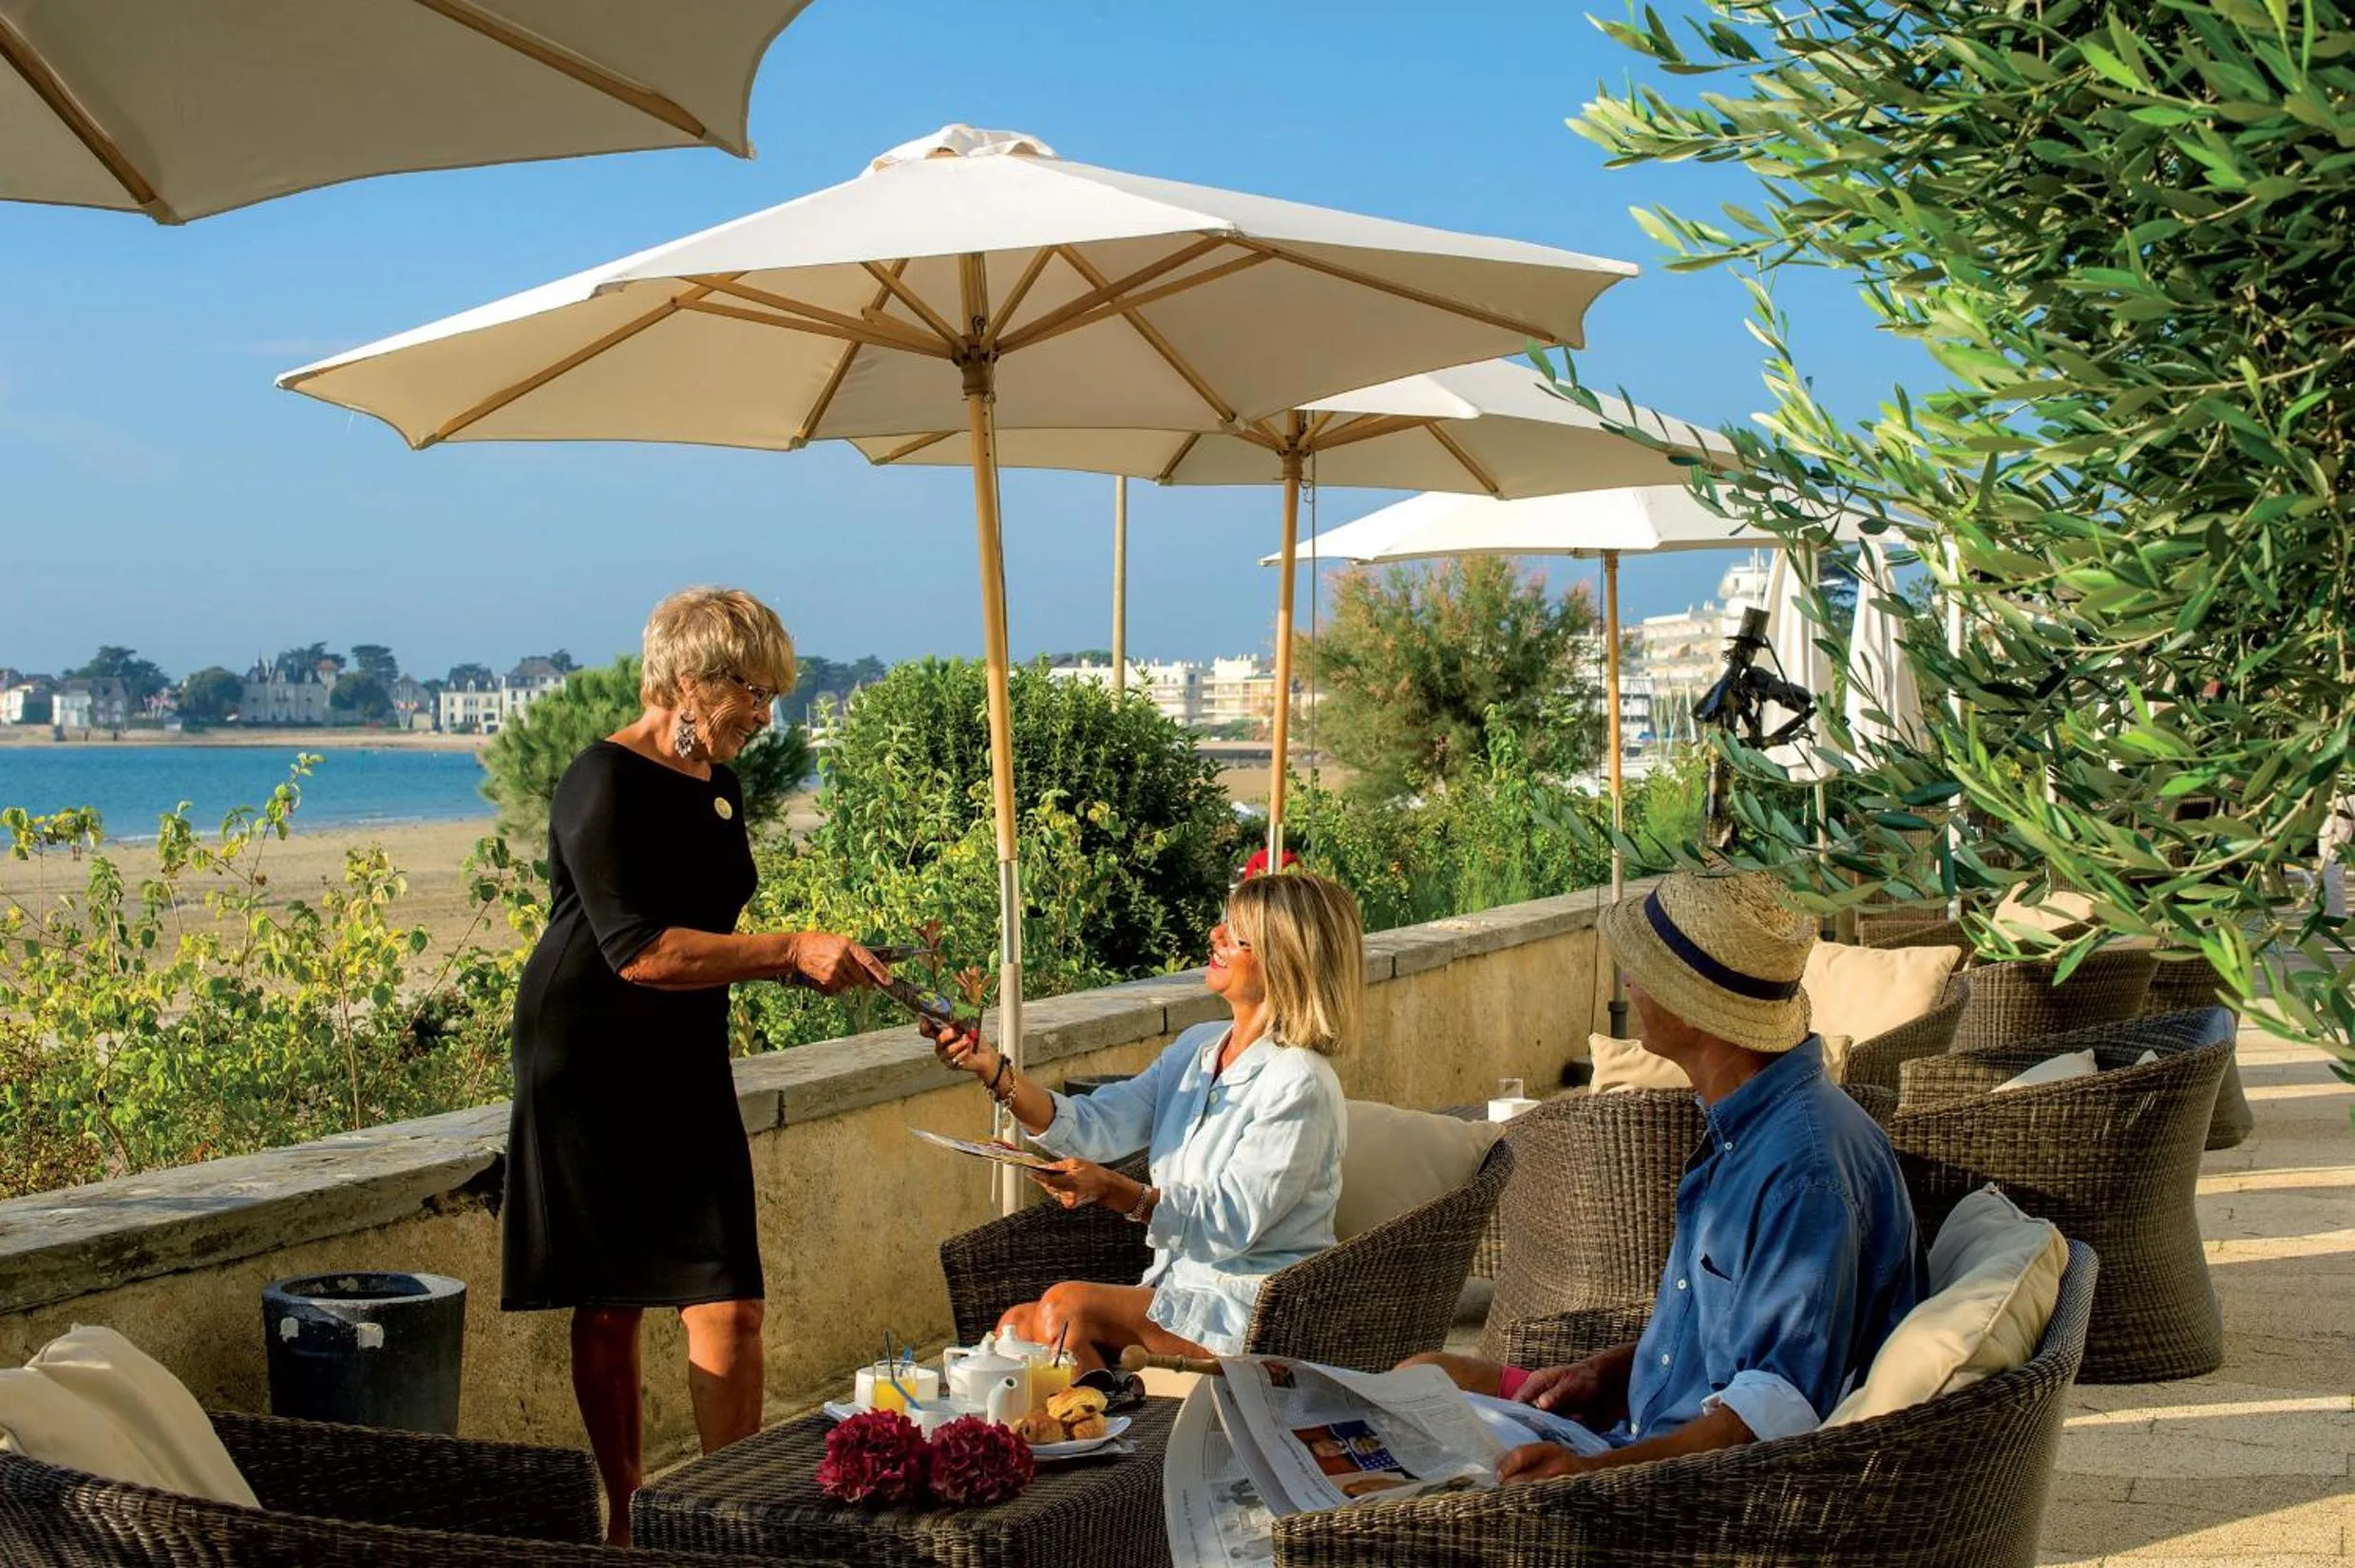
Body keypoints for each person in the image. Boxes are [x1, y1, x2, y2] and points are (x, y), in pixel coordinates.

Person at [501, 587, 889, 1543]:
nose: (767, 714)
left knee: (730, 1299)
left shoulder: (718, 783)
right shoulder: (600, 779)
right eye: (754, 692)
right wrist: (786, 949)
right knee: (609, 1305)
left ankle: (727, 1520)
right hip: (586, 1050)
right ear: (689, 679)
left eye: (771, 696)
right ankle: (628, 1520)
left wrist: (803, 966)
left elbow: (707, 928)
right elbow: (634, 948)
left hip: (682, 1047)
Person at [1410, 869, 1919, 1483]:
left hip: (1668, 1488)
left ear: (1696, 1010)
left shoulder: (1802, 1172)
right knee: (1422, 1376)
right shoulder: (1749, 1123)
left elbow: (1769, 1416)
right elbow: (1722, 1340)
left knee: (1391, 1472)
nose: (1629, 981)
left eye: (1646, 971)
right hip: (1630, 1427)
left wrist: (1585, 1475)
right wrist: (1610, 1374)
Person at [924, 870, 1362, 1370]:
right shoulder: (1199, 1047)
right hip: (1177, 1291)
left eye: (1236, 934)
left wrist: (1115, 1192)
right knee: (1015, 1329)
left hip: (1254, 1314)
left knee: (1066, 1311)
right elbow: (1096, 1123)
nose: (1215, 936)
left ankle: (1103, 1433)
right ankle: (1092, 1431)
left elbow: (1229, 1222)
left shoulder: (1300, 1081)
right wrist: (993, 1070)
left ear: (1284, 958)